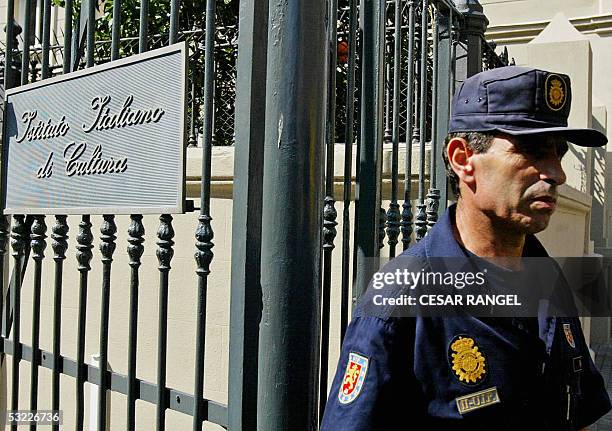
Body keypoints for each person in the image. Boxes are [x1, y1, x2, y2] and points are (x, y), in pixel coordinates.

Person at [320, 66, 612, 430]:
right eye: (533, 151)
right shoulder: (400, 296)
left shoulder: (547, 276)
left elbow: (579, 411)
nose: (556, 173)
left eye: (558, 153)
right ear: (462, 159)